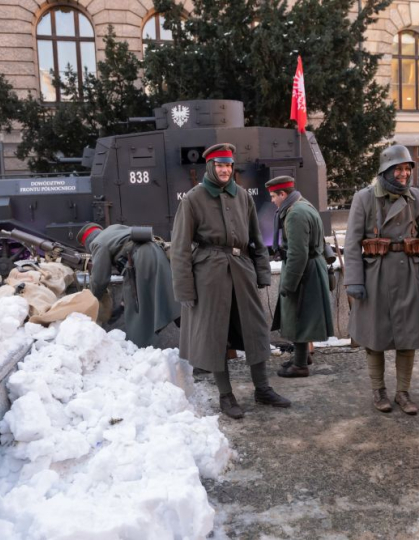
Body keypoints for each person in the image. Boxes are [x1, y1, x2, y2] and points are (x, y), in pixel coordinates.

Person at [170, 143, 290, 419]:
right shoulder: (193, 199)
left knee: (256, 330)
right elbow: (179, 248)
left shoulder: (243, 198)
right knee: (216, 335)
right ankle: (226, 395)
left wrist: (261, 271)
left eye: (228, 165)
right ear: (210, 167)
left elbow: (256, 239)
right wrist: (185, 289)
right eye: (220, 165)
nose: (225, 170)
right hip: (209, 275)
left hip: (241, 269)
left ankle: (262, 389)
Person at [344, 145, 419, 415]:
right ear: (385, 170)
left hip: (409, 273)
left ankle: (403, 392)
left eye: (407, 168)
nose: (404, 173)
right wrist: (355, 281)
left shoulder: (417, 198)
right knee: (374, 338)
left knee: (408, 338)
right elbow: (352, 244)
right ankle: (379, 390)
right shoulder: (364, 198)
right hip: (375, 275)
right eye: (398, 168)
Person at [267, 175, 334, 377]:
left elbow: (297, 253)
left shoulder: (295, 213)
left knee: (298, 315)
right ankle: (302, 357)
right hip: (311, 268)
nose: (272, 201)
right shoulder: (302, 205)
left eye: (273, 196)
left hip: (304, 271)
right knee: (301, 314)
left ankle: (300, 365)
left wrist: (289, 283)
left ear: (282, 194)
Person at [77, 223, 181, 348]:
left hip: (141, 259)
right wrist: (122, 305)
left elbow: (100, 279)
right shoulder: (114, 229)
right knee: (170, 298)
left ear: (88, 242)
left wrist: (91, 299)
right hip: (156, 253)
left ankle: (139, 349)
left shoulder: (98, 243)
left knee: (137, 313)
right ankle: (189, 330)